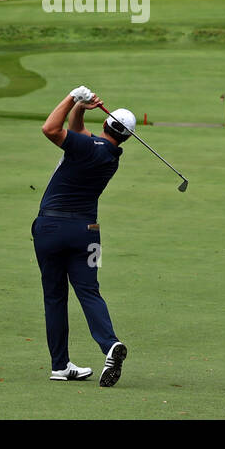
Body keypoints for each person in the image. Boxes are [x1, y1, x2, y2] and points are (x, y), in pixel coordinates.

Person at [32, 86, 131, 387]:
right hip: (88, 233)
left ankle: (59, 364)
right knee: (89, 292)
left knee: (55, 297)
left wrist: (72, 97)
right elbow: (77, 132)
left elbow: (50, 128)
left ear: (105, 124)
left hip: (50, 228)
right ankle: (109, 345)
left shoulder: (87, 147)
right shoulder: (111, 155)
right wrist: (80, 108)